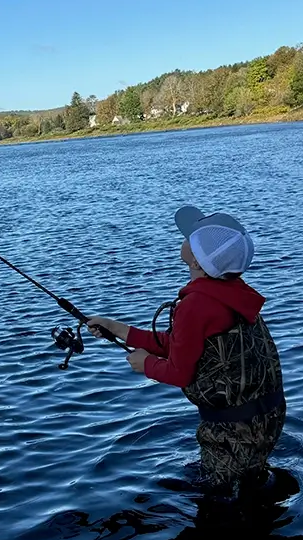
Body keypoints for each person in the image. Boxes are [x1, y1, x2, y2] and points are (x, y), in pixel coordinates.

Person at [88, 205, 286, 497]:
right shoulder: (235, 294)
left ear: (195, 259)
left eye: (191, 239)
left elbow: (180, 372)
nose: (184, 239)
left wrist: (147, 365)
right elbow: (186, 345)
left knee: (224, 497)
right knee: (250, 482)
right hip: (267, 415)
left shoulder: (195, 306)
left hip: (231, 428)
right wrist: (118, 329)